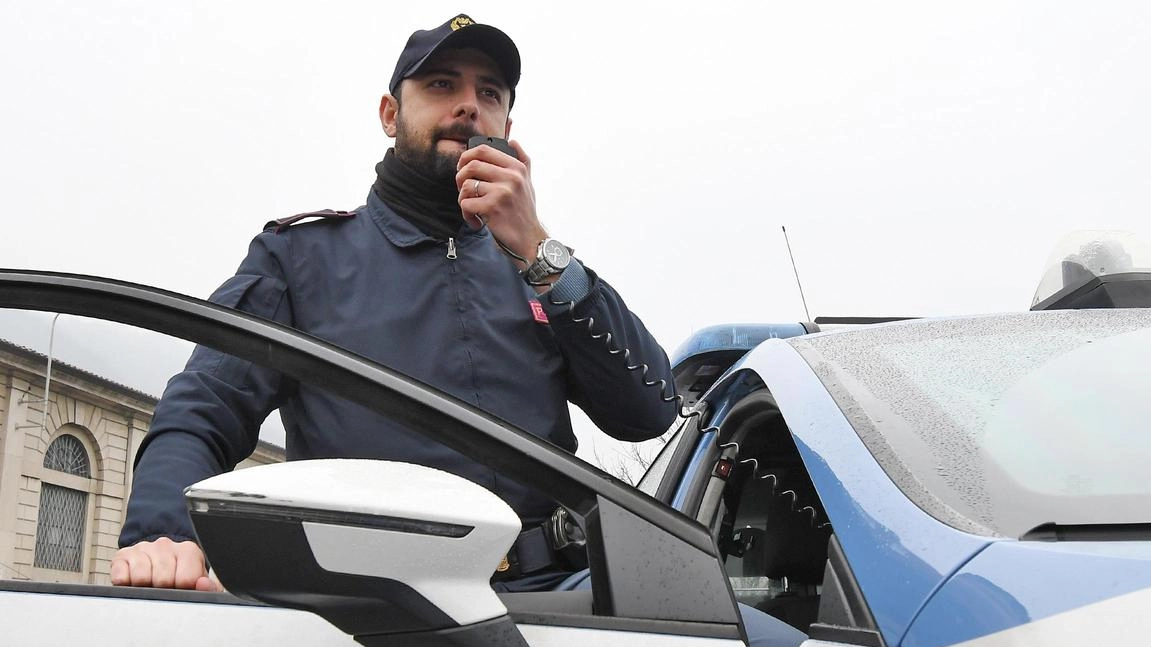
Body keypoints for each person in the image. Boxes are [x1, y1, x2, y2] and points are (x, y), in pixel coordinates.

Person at [110, 14, 678, 593]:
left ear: (509, 123)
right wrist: (164, 533)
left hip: (559, 597)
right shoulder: (301, 259)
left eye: (489, 93)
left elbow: (649, 411)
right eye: (441, 85)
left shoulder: (541, 271)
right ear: (389, 114)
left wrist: (538, 251)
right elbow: (204, 407)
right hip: (369, 602)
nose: (468, 106)